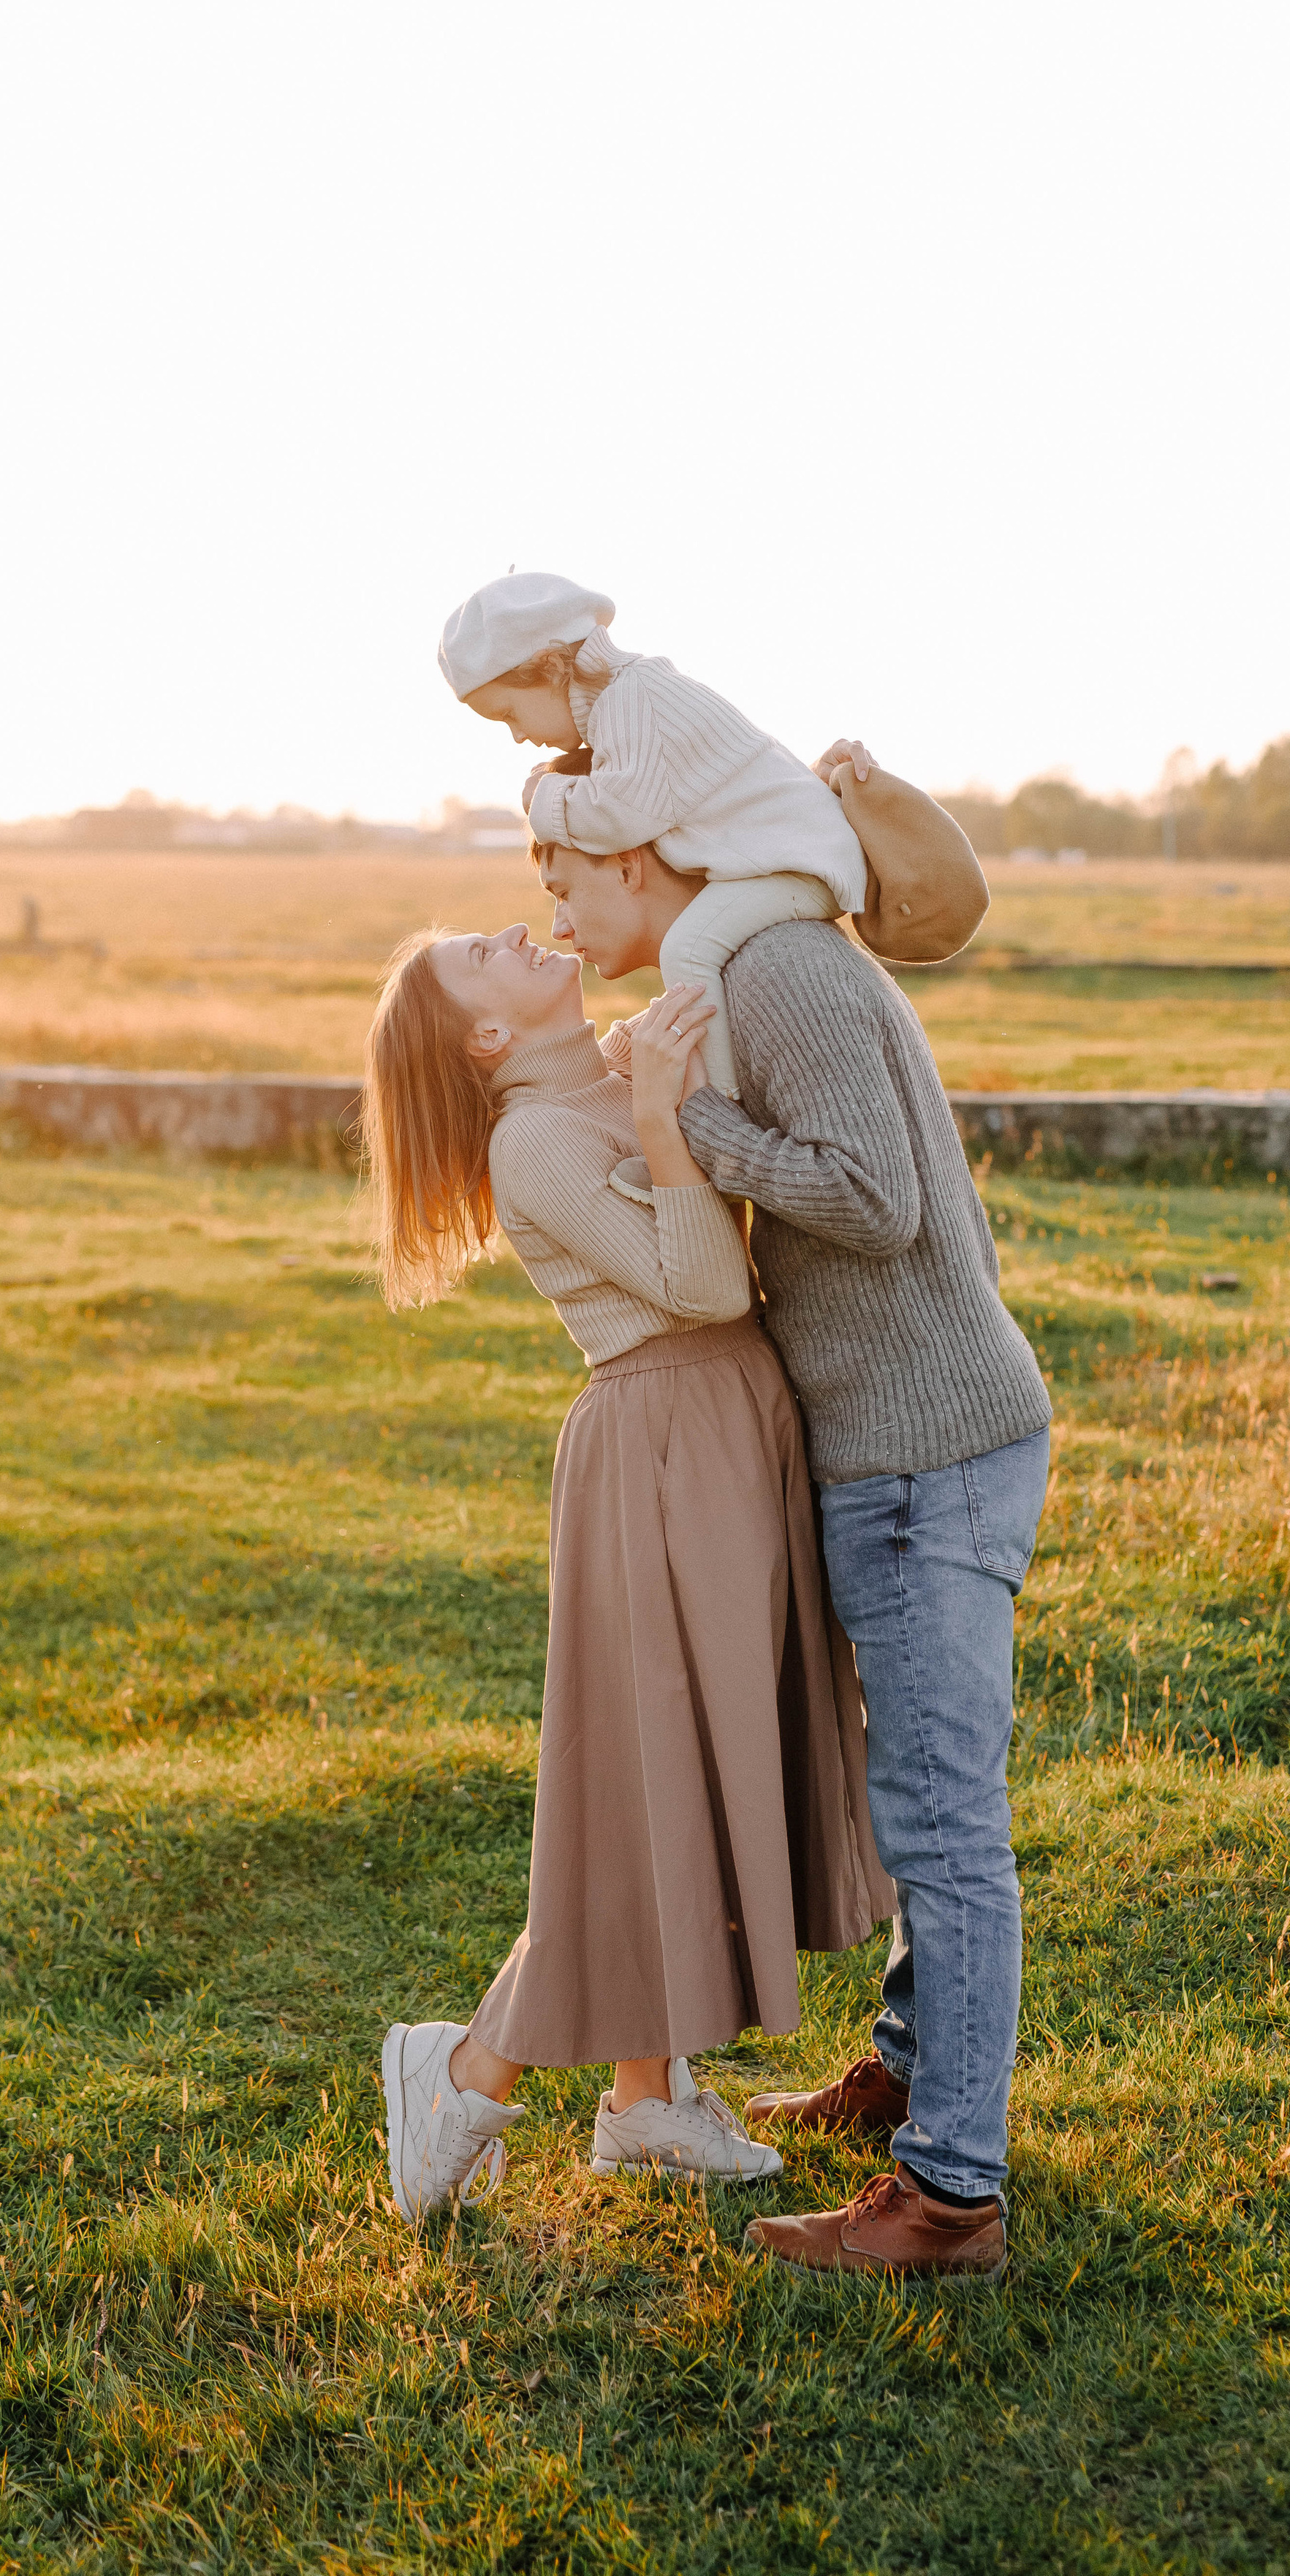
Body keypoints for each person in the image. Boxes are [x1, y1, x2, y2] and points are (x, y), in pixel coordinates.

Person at [538, 806, 1050, 2281]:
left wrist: (677, 1117)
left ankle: (947, 2199)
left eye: (562, 870)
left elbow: (874, 1202)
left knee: (945, 1826)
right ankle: (905, 2073)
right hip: (893, 1445)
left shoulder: (773, 970)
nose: (556, 906)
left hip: (925, 1449)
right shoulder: (739, 968)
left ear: (637, 857)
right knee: (918, 1802)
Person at [363, 918, 889, 2216]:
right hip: (660, 1440)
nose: (510, 928)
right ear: (487, 1037)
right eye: (480, 955)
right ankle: (468, 2072)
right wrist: (662, 1113)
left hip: (729, 1427)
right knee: (639, 1794)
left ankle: (646, 2098)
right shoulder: (534, 1140)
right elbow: (704, 1284)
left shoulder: (607, 1065)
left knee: (686, 1779)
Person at [438, 570, 867, 1098]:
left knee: (687, 952)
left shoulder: (633, 698)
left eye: (510, 713)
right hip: (788, 859)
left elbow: (619, 816)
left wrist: (540, 799)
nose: (519, 736)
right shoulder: (630, 700)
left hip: (801, 864)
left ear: (551, 669)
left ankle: (718, 1101)